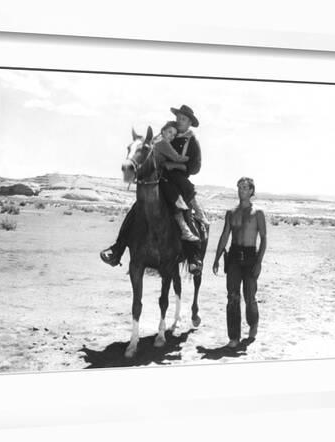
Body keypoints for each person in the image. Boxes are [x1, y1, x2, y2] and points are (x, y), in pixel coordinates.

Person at [100, 104, 208, 267]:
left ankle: (193, 256)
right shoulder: (166, 132)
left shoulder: (192, 141)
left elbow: (195, 167)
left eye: (183, 119)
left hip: (178, 181)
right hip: (158, 179)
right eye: (178, 117)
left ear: (189, 123)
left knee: (183, 211)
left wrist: (175, 166)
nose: (179, 121)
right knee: (136, 210)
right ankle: (118, 249)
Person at [212, 177, 267, 348]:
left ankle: (253, 324)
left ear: (251, 191)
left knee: (250, 297)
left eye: (245, 187)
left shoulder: (258, 213)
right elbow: (224, 236)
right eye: (239, 187)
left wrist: (259, 262)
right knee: (232, 297)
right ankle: (234, 336)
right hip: (234, 256)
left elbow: (264, 239)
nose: (241, 190)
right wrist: (217, 257)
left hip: (251, 257)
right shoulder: (231, 212)